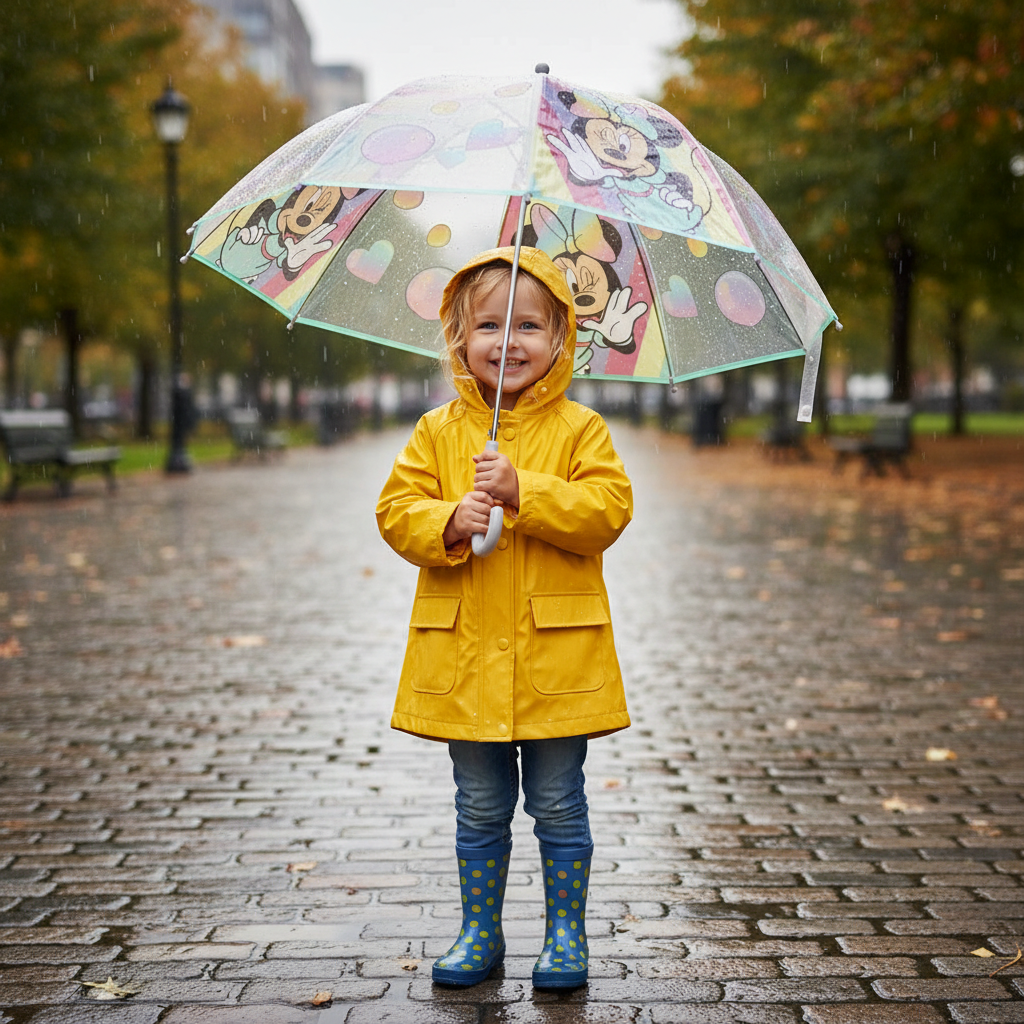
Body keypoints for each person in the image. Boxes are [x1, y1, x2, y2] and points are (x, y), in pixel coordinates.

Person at [376, 246, 633, 990]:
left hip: (557, 663)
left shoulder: (582, 431)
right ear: (460, 338)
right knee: (480, 805)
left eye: (528, 326)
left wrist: (528, 490)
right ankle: (480, 932)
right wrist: (452, 519)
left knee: (558, 802)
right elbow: (397, 513)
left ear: (560, 341)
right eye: (489, 325)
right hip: (467, 661)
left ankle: (564, 937)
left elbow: (607, 511)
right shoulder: (438, 433)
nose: (508, 342)